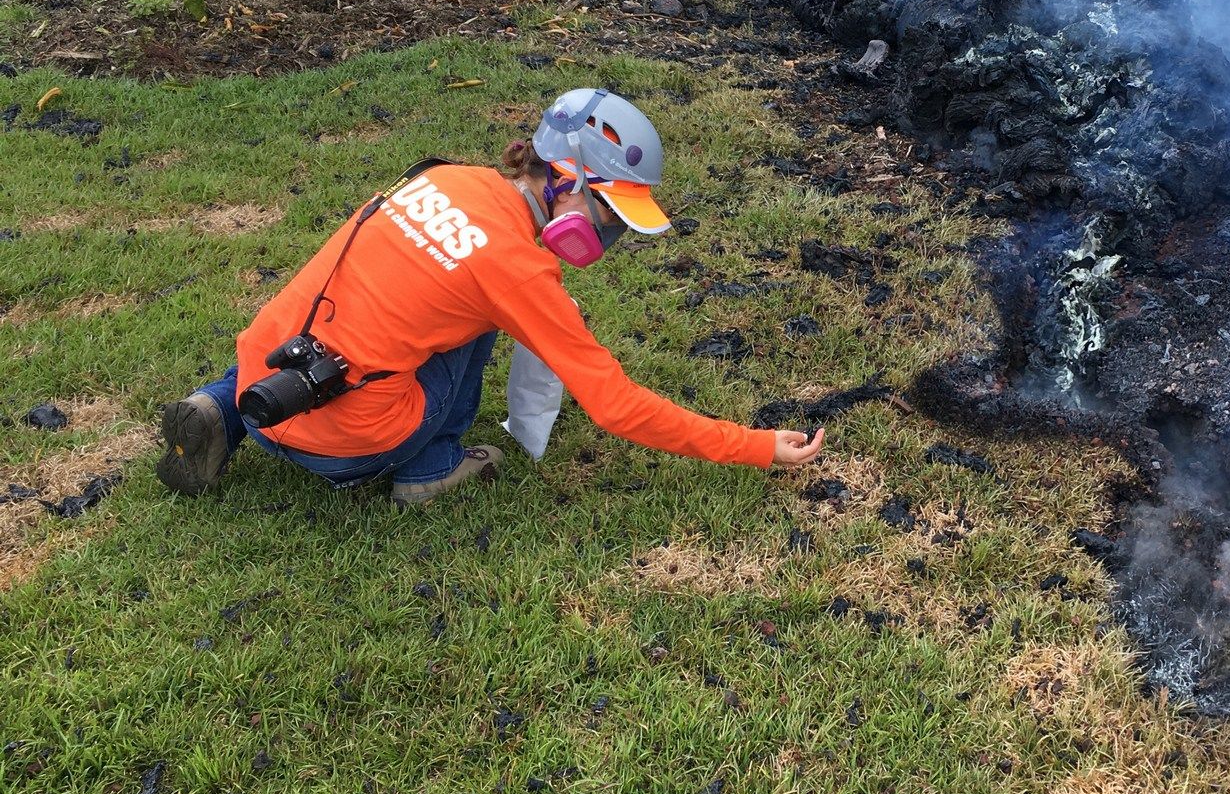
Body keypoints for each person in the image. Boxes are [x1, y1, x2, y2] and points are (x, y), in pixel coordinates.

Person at [156, 87, 824, 506]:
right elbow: (617, 406)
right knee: (476, 322)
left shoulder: (441, 177)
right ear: (567, 182)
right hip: (345, 450)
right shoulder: (518, 272)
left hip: (260, 386)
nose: (611, 233)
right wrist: (755, 445)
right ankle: (433, 467)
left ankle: (214, 410)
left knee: (351, 300)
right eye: (611, 214)